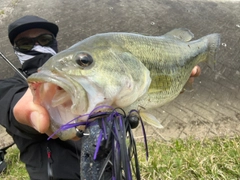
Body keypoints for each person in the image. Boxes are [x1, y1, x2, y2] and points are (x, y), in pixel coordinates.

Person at [0, 15, 201, 180]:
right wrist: (30, 114)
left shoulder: (90, 77)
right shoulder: (8, 87)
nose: (37, 46)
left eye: (44, 40)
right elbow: (13, 105)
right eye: (25, 44)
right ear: (16, 49)